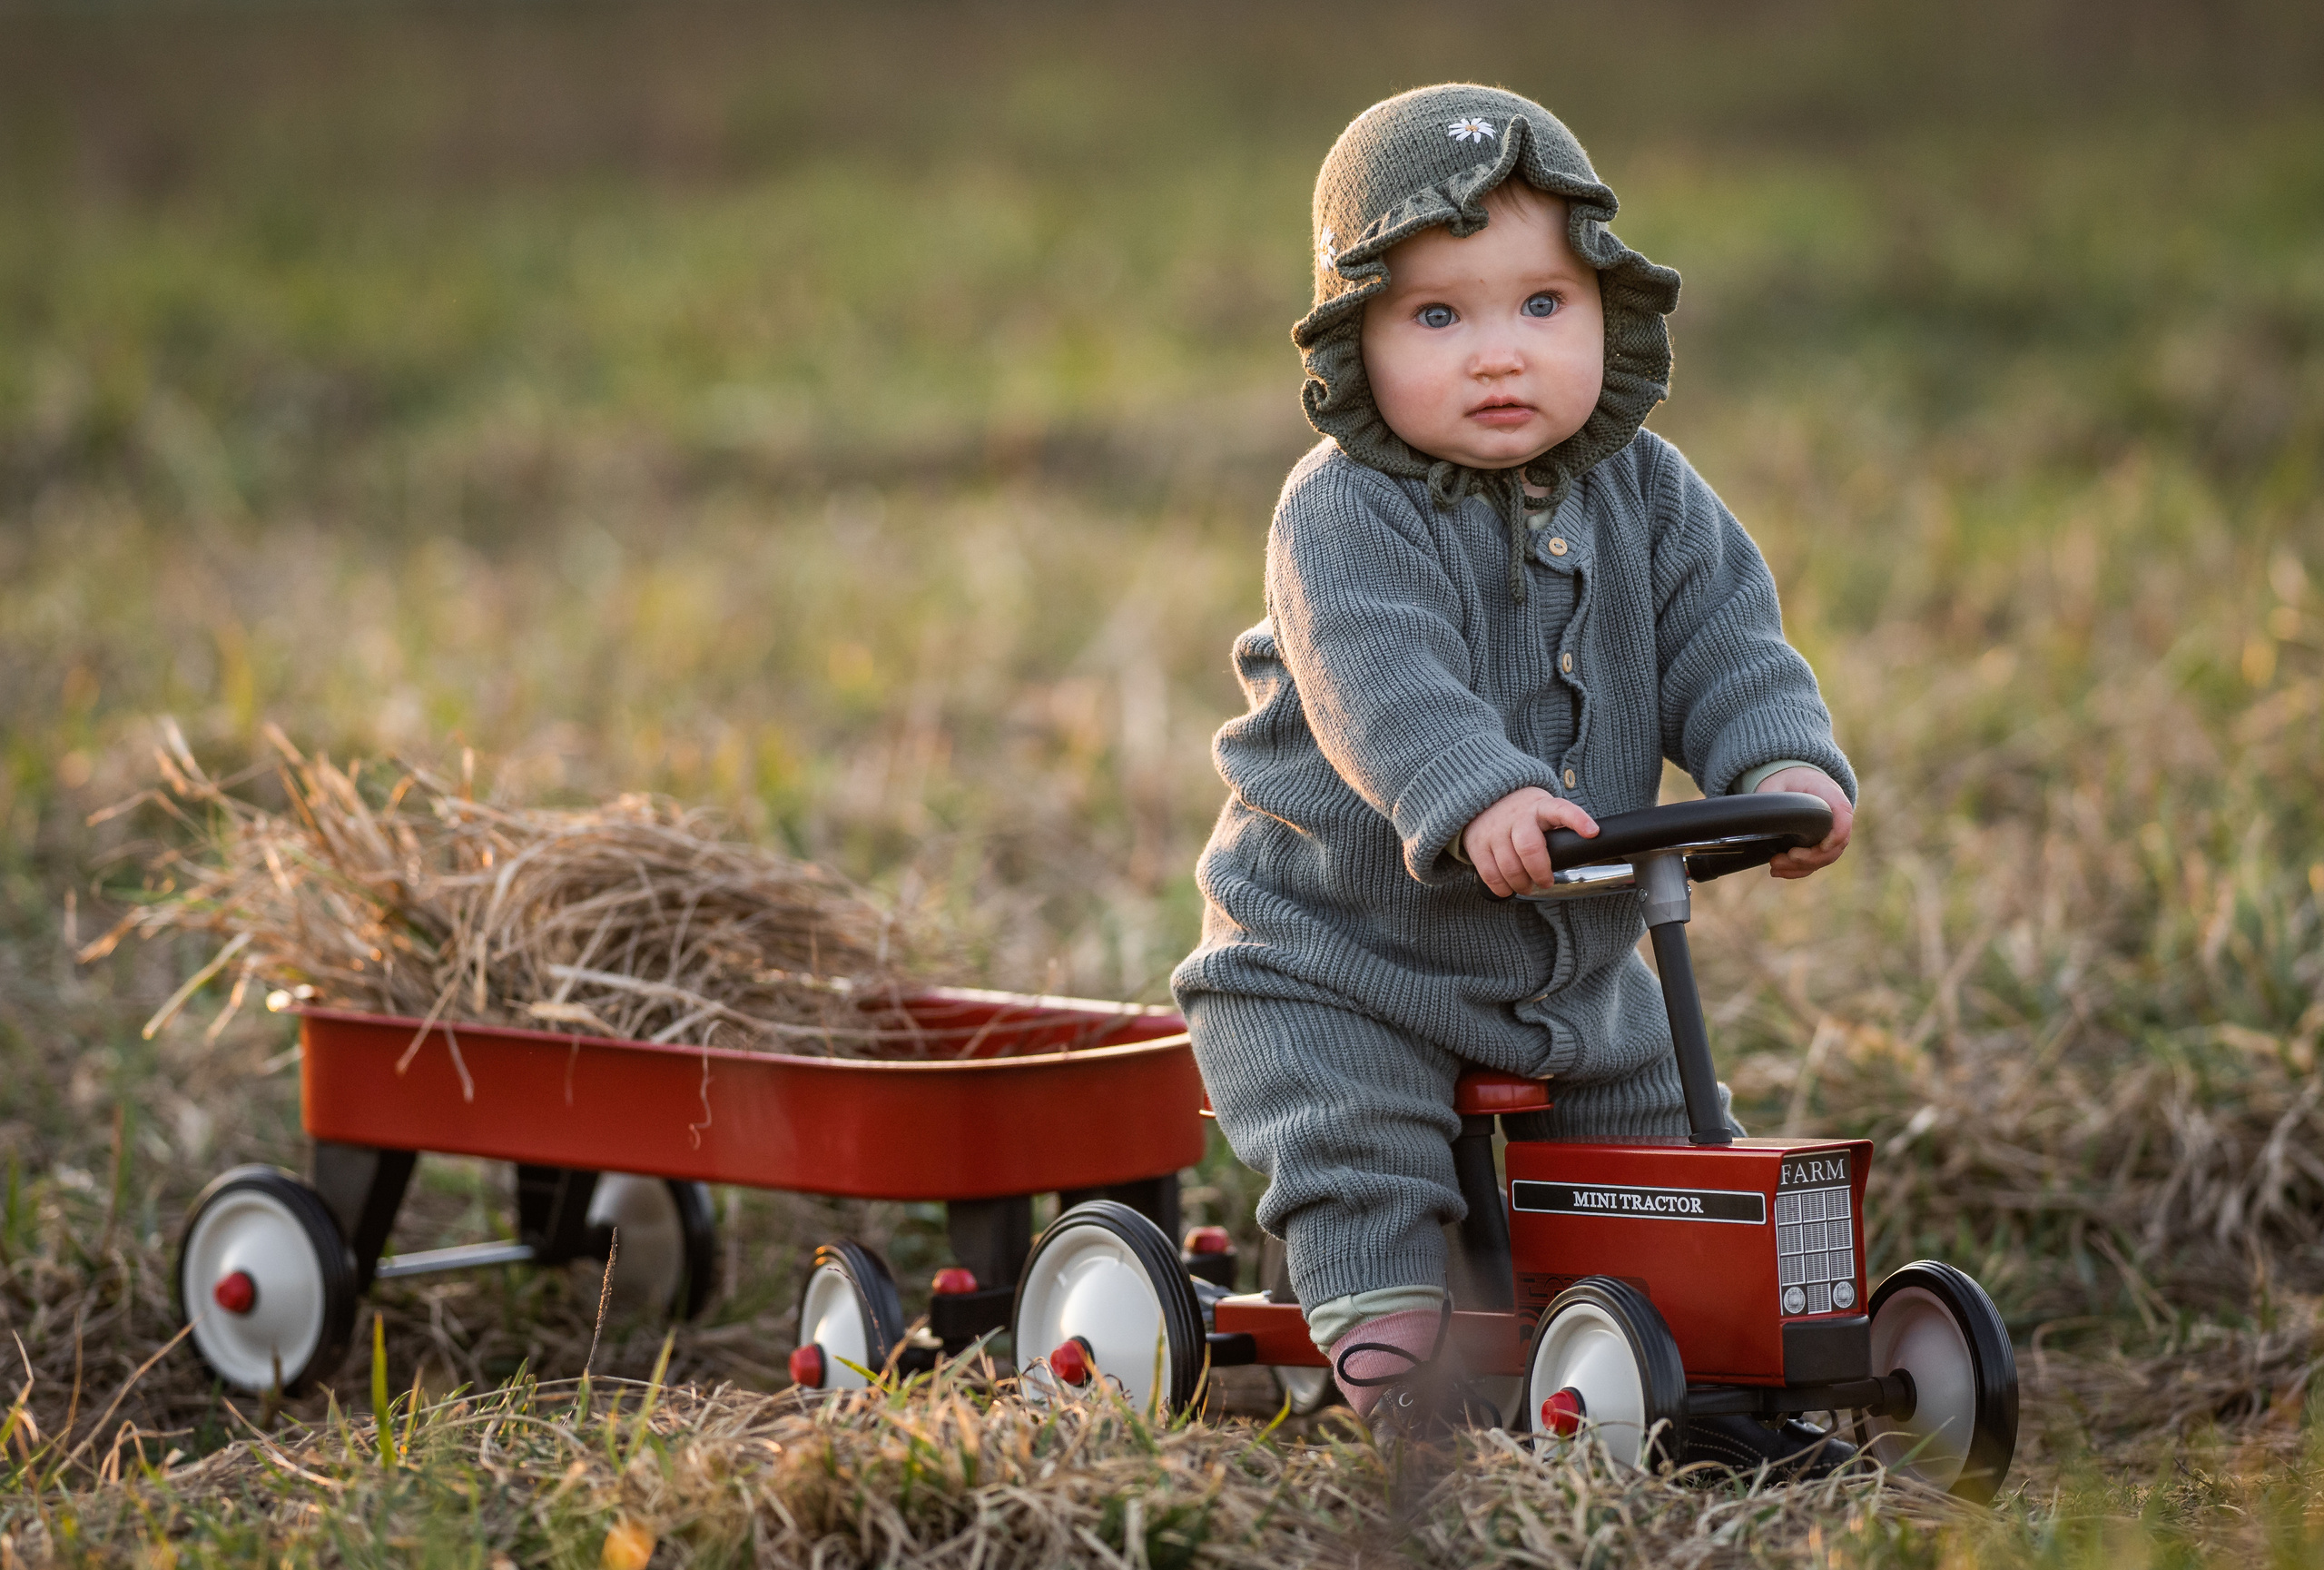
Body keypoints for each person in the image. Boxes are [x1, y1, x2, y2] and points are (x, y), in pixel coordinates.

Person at [1170, 84, 1856, 1460]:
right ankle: (1394, 1364)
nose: (1501, 354)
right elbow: (1382, 679)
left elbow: (1725, 637)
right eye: (1440, 316)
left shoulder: (1652, 494)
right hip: (1342, 959)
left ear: (1612, 310)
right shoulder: (1341, 511)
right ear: (1355, 340)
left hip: (1572, 972)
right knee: (1359, 1140)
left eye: (1542, 304)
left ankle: (1682, 1363)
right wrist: (1476, 787)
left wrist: (1781, 752)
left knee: (1663, 1148)